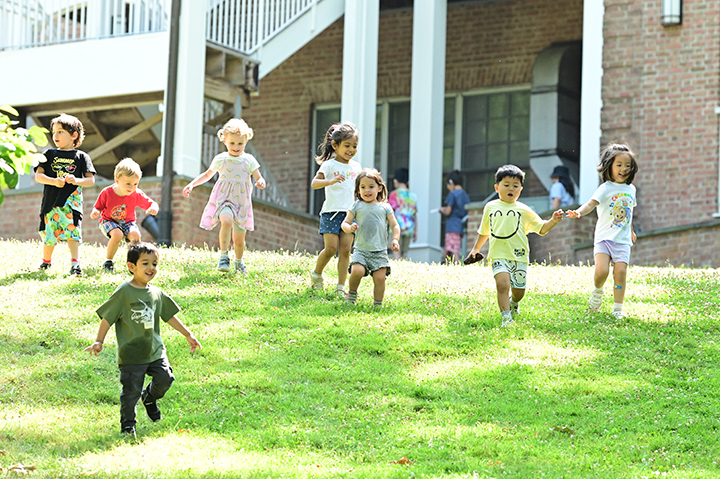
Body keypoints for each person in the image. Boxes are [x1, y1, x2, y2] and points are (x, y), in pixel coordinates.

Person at [84, 242, 201, 436]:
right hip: (131, 355)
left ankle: (149, 398)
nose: (151, 268)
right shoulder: (124, 292)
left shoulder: (155, 293)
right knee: (130, 394)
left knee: (165, 378)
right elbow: (107, 318)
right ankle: (128, 426)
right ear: (132, 267)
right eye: (145, 263)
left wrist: (188, 334)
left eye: (154, 264)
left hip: (154, 350)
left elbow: (169, 315)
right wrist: (99, 341)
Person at [467, 165, 564, 327]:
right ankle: (506, 317)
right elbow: (484, 231)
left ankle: (513, 303)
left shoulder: (524, 210)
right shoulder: (490, 207)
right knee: (502, 284)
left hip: (519, 256)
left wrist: (553, 221)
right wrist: (476, 249)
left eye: (515, 185)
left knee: (519, 292)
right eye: (506, 185)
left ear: (521, 189)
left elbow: (541, 229)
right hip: (498, 255)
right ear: (497, 187)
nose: (511, 188)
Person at [182, 118, 266, 274]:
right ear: (224, 140)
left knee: (239, 240)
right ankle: (223, 256)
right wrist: (192, 184)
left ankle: (239, 263)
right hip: (223, 200)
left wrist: (261, 182)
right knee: (226, 220)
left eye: (240, 143)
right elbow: (207, 175)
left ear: (246, 141)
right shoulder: (221, 159)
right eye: (232, 143)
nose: (236, 147)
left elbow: (258, 176)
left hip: (242, 203)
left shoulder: (249, 160)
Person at [566, 143, 639, 319]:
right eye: (619, 165)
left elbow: (628, 212)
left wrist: (631, 230)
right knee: (601, 271)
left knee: (620, 272)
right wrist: (579, 212)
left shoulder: (631, 190)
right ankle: (598, 291)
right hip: (604, 238)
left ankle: (617, 309)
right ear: (609, 166)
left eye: (627, 166)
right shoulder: (605, 188)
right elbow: (591, 204)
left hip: (622, 240)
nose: (623, 169)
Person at [34, 113, 96, 276]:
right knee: (49, 233)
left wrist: (76, 180)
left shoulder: (82, 157)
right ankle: (46, 262)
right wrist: (54, 181)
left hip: (71, 203)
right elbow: (38, 176)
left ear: (74, 135)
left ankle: (75, 264)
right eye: (54, 132)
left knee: (73, 232)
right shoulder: (48, 154)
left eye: (60, 132)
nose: (56, 136)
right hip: (51, 202)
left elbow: (90, 181)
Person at [310, 122, 362, 294]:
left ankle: (340, 287)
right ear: (335, 145)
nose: (351, 150)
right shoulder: (329, 165)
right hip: (331, 212)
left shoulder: (356, 167)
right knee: (331, 248)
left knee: (346, 250)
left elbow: (359, 189)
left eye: (354, 146)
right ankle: (317, 274)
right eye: (347, 146)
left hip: (349, 214)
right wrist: (330, 181)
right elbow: (314, 184)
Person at [341, 168, 400, 307]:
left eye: (371, 187)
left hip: (379, 251)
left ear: (379, 188)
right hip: (361, 249)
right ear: (358, 190)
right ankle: (351, 296)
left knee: (380, 278)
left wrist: (395, 239)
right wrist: (349, 228)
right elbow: (345, 223)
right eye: (363, 187)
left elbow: (395, 225)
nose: (367, 190)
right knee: (357, 271)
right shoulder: (357, 205)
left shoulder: (385, 207)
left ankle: (377, 305)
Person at [91, 158, 159, 273]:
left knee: (135, 235)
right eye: (128, 184)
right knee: (117, 234)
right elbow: (98, 206)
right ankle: (108, 261)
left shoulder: (135, 194)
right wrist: (96, 211)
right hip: (108, 221)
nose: (132, 187)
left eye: (135, 184)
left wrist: (153, 208)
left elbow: (152, 203)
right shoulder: (107, 192)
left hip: (128, 223)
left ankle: (134, 262)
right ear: (117, 180)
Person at [439, 170, 471, 263]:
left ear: (451, 182)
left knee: (453, 251)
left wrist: (442, 210)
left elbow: (448, 211)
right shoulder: (465, 195)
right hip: (460, 226)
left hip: (452, 226)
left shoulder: (452, 194)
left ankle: (458, 268)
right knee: (449, 251)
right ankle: (450, 270)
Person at [387, 167, 417, 259]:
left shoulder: (394, 194)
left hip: (397, 225)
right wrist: (416, 231)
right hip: (409, 226)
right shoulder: (413, 196)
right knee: (404, 252)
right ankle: (403, 265)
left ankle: (397, 267)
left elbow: (390, 211)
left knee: (396, 248)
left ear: (396, 181)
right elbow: (415, 214)